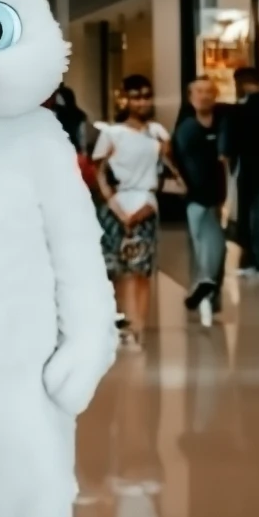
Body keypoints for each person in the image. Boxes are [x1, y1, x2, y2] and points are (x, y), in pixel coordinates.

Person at [93, 75, 176, 352]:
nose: (142, 101)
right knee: (114, 270)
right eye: (136, 96)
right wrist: (113, 203)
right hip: (117, 206)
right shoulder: (111, 134)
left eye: (146, 96)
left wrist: (150, 202)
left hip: (146, 204)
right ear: (126, 99)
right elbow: (99, 173)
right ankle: (118, 324)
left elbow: (166, 172)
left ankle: (138, 328)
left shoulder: (157, 133)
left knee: (141, 272)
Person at [173, 76, 228, 326]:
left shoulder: (222, 125)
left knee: (215, 248)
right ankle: (204, 292)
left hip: (216, 198)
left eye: (209, 91)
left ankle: (208, 293)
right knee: (205, 247)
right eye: (199, 92)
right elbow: (192, 167)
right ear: (191, 97)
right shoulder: (188, 128)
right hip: (198, 198)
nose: (204, 96)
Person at [224, 66, 259, 276]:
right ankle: (250, 258)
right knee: (247, 214)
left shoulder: (257, 108)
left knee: (256, 214)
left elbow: (257, 122)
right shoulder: (242, 109)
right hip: (247, 168)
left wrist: (254, 95)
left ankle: (258, 260)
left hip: (255, 169)